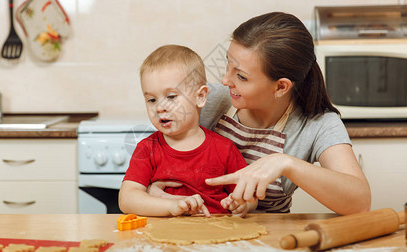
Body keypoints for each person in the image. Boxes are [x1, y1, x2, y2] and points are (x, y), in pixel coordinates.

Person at [150, 13, 371, 215]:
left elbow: (360, 201)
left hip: (270, 239)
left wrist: (286, 163)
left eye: (241, 77)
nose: (226, 81)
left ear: (281, 87)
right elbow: (153, 162)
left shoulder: (318, 124)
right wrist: (154, 192)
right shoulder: (208, 101)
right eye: (228, 66)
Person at [119, 44, 257, 217]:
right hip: (165, 239)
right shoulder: (147, 149)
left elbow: (249, 196)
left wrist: (242, 204)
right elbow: (127, 199)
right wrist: (170, 206)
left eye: (171, 97)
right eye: (152, 100)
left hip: (215, 237)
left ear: (200, 96)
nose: (160, 107)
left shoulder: (225, 149)